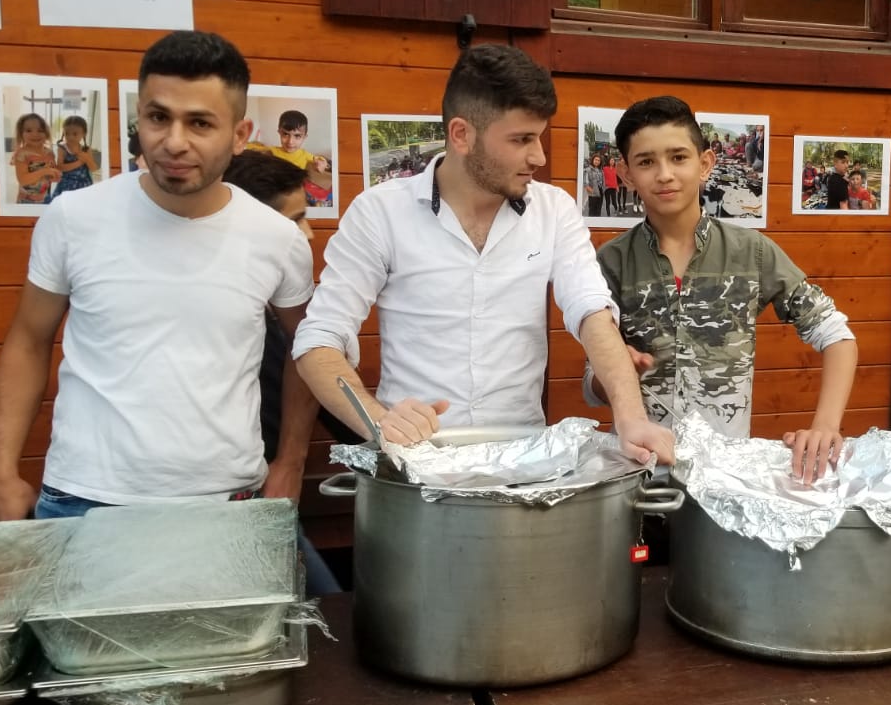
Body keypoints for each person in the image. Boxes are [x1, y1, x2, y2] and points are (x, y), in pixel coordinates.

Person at [0, 30, 318, 521]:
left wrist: (291, 460)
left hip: (228, 503)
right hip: (82, 499)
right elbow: (29, 340)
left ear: (240, 135)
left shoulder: (277, 237)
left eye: (200, 123)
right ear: (139, 116)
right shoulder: (73, 218)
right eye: (159, 117)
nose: (174, 142)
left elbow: (308, 347)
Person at [291, 44, 673, 464]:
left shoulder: (553, 208)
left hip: (521, 464)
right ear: (461, 135)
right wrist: (380, 422)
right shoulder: (379, 211)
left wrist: (631, 416)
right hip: (414, 462)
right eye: (521, 139)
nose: (539, 156)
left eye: (540, 136)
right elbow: (318, 342)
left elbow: (592, 313)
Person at [585, 95, 857, 483]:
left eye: (678, 157)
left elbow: (837, 335)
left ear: (705, 163)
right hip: (637, 475)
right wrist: (612, 369)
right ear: (626, 174)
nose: (664, 174)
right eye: (646, 162)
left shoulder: (752, 253)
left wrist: (826, 426)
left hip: (726, 476)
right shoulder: (610, 262)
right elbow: (591, 385)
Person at [223, 149, 349, 595]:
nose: (309, 233)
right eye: (296, 220)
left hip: (270, 497)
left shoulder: (288, 316)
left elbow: (330, 397)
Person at [248, 110, 334, 208]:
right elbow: (255, 148)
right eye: (285, 134)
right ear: (279, 132)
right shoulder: (273, 151)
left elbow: (318, 158)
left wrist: (322, 162)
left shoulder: (304, 154)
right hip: (277, 189)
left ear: (304, 137)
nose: (290, 141)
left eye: (297, 136)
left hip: (296, 189)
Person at [11, 114, 59, 205]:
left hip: (46, 198)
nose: (35, 134)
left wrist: (55, 176)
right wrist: (45, 171)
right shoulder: (22, 154)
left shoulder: (49, 153)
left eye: (40, 130)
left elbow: (52, 173)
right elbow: (23, 180)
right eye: (28, 130)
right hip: (27, 201)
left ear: (46, 133)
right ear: (21, 134)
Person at [48, 115, 98, 200]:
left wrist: (87, 159)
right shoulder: (62, 149)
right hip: (66, 185)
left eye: (75, 134)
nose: (70, 137)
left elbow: (93, 168)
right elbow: (60, 167)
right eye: (67, 134)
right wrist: (79, 162)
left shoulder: (86, 149)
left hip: (84, 185)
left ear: (84, 134)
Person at [583, 152, 605, 217]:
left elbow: (603, 181)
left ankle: (597, 225)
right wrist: (592, 191)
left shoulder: (601, 170)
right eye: (596, 160)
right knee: (592, 211)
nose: (597, 161)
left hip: (600, 192)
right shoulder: (588, 170)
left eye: (599, 160)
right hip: (593, 193)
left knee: (598, 210)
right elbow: (586, 184)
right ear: (592, 160)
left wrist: (604, 189)